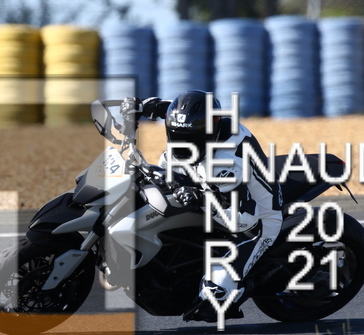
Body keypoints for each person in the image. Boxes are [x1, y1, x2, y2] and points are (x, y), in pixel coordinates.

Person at [120, 90, 283, 322]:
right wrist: (142, 106)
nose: (182, 144)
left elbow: (244, 220)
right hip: (208, 184)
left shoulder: (226, 163)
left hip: (257, 215)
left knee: (212, 300)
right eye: (177, 136)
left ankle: (239, 288)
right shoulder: (201, 122)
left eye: (190, 139)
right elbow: (177, 113)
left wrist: (202, 199)